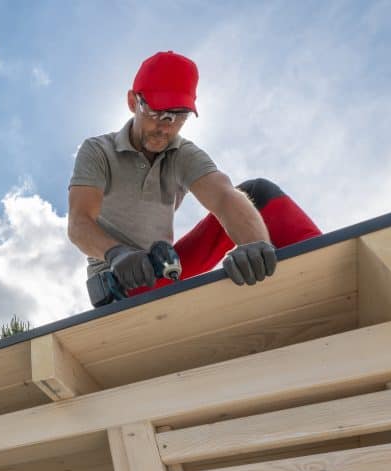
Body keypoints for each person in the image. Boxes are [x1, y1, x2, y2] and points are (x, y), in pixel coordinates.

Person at [68, 51, 322, 302]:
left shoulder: (182, 153)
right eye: (158, 114)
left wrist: (254, 246)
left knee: (256, 193)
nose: (166, 127)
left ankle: (321, 270)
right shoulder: (98, 151)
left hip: (165, 268)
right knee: (136, 268)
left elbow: (223, 196)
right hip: (123, 280)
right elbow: (79, 223)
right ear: (134, 102)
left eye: (179, 116)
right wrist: (116, 253)